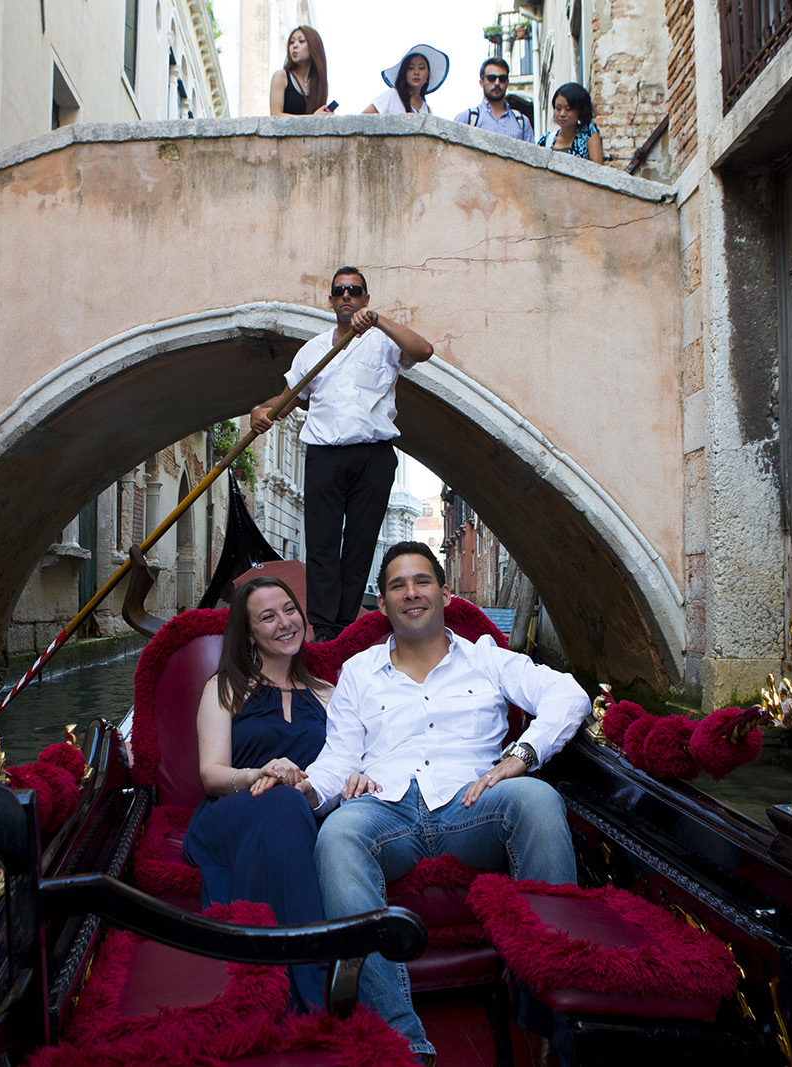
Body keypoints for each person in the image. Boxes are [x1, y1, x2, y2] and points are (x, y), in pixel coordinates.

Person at [299, 542, 588, 1061]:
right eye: (397, 586)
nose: (411, 593)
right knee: (338, 835)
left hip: (472, 806)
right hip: (386, 809)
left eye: (422, 581)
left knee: (538, 800)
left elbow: (570, 696)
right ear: (382, 605)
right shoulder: (359, 673)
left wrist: (519, 757)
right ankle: (403, 1045)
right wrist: (305, 787)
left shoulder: (487, 658)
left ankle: (550, 1024)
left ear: (445, 593)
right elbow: (337, 759)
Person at [250, 269, 434, 642]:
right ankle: (325, 631)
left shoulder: (384, 343)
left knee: (360, 544)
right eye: (340, 291)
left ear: (365, 299)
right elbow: (287, 401)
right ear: (331, 301)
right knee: (321, 544)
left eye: (355, 291)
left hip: (373, 456)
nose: (347, 296)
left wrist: (380, 321)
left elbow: (423, 351)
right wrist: (261, 409)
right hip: (324, 455)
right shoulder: (314, 350)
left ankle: (345, 627)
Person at [181, 576, 332, 1011]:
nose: (285, 622)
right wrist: (257, 775)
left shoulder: (329, 695)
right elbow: (210, 774)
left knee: (287, 803)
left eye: (289, 610)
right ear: (248, 634)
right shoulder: (224, 688)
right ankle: (309, 996)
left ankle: (279, 988)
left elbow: (345, 769)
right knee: (278, 801)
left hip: (305, 813)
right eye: (268, 616)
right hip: (232, 812)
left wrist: (304, 785)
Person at [452, 57, 534, 142]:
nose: (497, 83)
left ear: (507, 83)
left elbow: (532, 154)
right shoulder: (466, 119)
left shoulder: (522, 123)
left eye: (502, 79)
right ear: (481, 82)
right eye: (491, 78)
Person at [362, 44, 449, 115]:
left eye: (421, 68)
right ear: (404, 73)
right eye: (411, 68)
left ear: (428, 75)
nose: (416, 72)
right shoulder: (392, 96)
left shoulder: (427, 110)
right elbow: (363, 119)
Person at [269, 25, 335, 116]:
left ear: (313, 46)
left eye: (301, 41)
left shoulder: (320, 83)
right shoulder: (281, 76)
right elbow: (275, 115)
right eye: (291, 42)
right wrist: (312, 119)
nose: (294, 46)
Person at [537, 81, 603, 163]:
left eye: (568, 109)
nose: (562, 114)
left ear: (579, 110)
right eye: (558, 108)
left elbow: (596, 167)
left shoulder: (588, 133)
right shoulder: (545, 140)